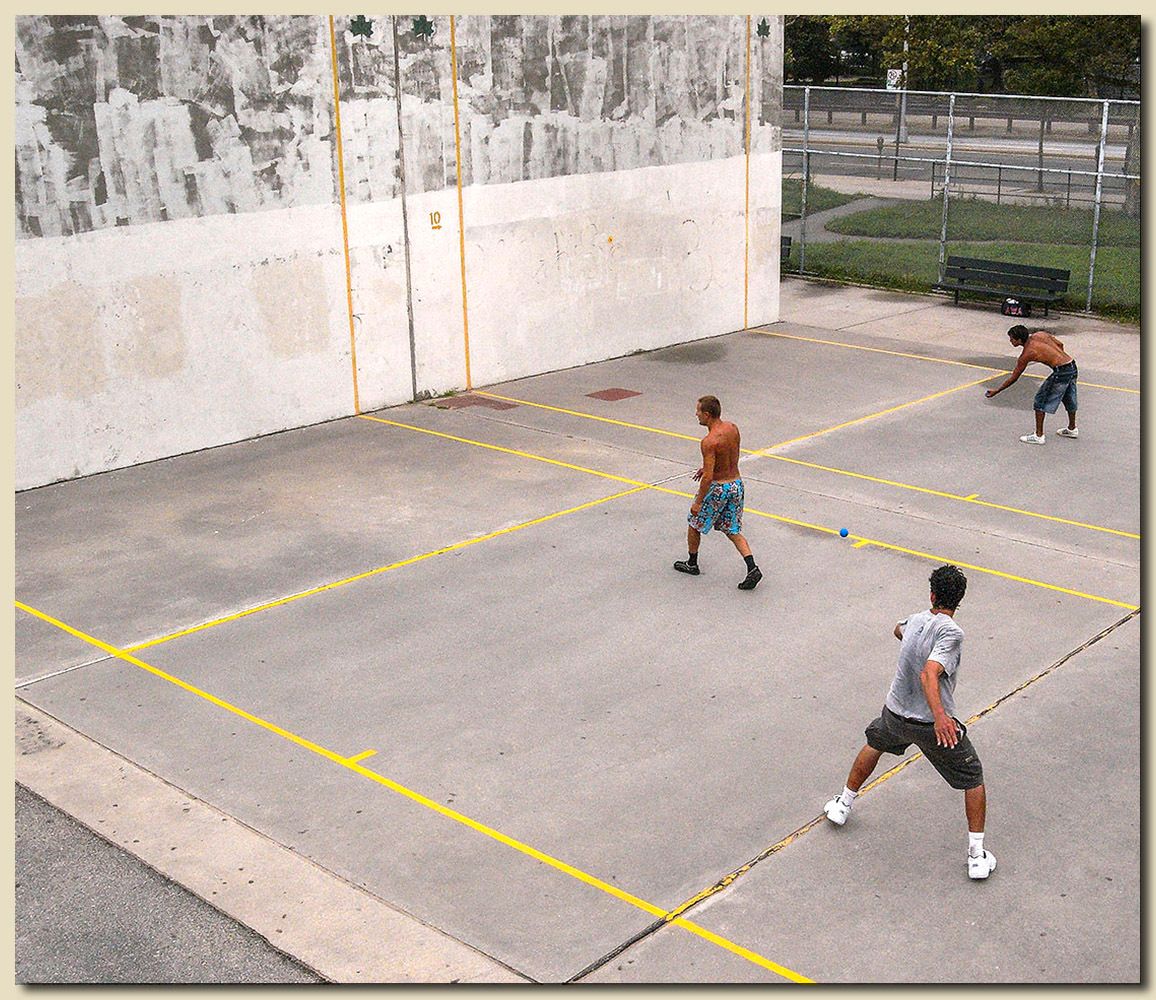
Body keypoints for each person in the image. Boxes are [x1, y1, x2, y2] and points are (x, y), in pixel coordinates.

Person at [822, 564, 996, 880]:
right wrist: (941, 718)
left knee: (875, 742)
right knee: (973, 777)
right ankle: (976, 856)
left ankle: (843, 804)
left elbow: (897, 629)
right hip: (930, 724)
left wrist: (913, 642)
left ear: (932, 594)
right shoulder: (952, 633)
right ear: (959, 601)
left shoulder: (915, 620)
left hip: (894, 712)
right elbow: (929, 673)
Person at [673, 395, 762, 590]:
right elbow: (729, 454)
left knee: (694, 523)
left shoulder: (708, 441)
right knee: (732, 529)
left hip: (719, 488)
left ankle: (692, 563)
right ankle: (752, 567)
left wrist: (698, 502)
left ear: (707, 414)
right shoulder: (732, 428)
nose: (696, 415)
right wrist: (707, 467)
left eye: (698, 412)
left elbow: (708, 478)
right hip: (736, 484)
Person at [984, 324, 1079, 445]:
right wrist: (1059, 359)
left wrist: (997, 390)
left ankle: (1038, 436)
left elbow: (1014, 377)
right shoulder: (1040, 335)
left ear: (1019, 340)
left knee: (1040, 400)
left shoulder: (1027, 353)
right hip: (1072, 365)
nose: (1010, 341)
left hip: (1061, 371)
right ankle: (1072, 428)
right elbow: (1060, 345)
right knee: (1068, 397)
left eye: (1012, 339)